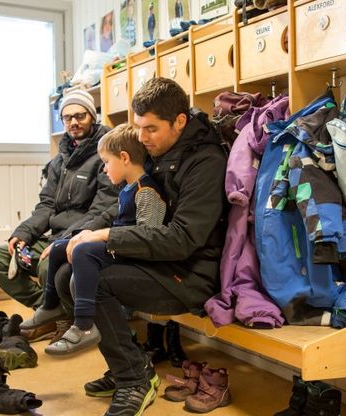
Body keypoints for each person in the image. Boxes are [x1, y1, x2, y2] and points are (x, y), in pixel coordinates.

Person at [65, 77, 228, 416]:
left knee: (94, 282)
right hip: (160, 263)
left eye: (150, 128)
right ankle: (129, 363)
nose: (141, 137)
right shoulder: (160, 151)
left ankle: (134, 379)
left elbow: (182, 239)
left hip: (189, 276)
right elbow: (125, 204)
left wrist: (108, 237)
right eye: (138, 127)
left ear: (179, 122)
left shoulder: (205, 163)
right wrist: (87, 231)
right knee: (73, 268)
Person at [0, 89, 117, 343]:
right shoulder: (59, 161)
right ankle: (50, 310)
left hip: (80, 238)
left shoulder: (104, 156)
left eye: (80, 115)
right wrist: (23, 234)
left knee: (48, 265)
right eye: (67, 118)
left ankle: (59, 316)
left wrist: (63, 241)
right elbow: (45, 205)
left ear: (92, 116)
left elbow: (100, 211)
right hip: (53, 235)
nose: (73, 122)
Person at [32, 124, 167, 356]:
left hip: (133, 254)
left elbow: (149, 237)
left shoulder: (146, 192)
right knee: (59, 249)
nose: (104, 169)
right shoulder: (128, 188)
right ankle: (50, 305)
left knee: (84, 251)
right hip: (119, 245)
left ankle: (84, 325)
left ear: (124, 158)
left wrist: (103, 239)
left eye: (106, 162)